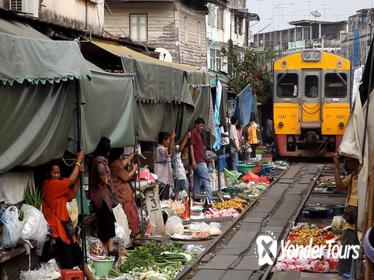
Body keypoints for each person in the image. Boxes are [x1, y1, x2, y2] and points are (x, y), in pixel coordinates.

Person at [42, 152, 94, 280]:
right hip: (59, 232)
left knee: (80, 259)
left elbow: (71, 195)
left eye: (58, 173)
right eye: (54, 173)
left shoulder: (58, 186)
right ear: (48, 173)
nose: (57, 175)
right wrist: (78, 161)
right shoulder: (49, 185)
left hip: (67, 228)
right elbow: (70, 180)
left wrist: (79, 175)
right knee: (68, 265)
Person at [334, 154, 361, 277]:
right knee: (348, 247)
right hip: (350, 217)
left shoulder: (363, 177)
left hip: (357, 218)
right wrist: (336, 167)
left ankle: (348, 273)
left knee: (350, 246)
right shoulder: (352, 176)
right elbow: (339, 186)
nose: (348, 162)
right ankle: (347, 273)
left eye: (350, 160)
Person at [89, 137, 116, 254]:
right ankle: (108, 250)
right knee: (107, 224)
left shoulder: (98, 159)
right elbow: (101, 173)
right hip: (101, 197)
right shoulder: (100, 161)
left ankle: (107, 250)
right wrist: (104, 180)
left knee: (107, 223)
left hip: (103, 197)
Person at [109, 148, 140, 237]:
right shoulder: (115, 165)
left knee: (131, 216)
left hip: (124, 194)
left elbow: (123, 163)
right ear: (119, 156)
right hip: (122, 195)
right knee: (130, 217)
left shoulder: (115, 164)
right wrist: (134, 169)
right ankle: (134, 234)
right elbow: (126, 177)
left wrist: (132, 155)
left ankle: (134, 233)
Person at [190, 118, 212, 201]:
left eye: (203, 126)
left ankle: (196, 199)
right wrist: (193, 160)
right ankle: (210, 200)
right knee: (206, 180)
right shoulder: (193, 133)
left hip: (199, 160)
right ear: (196, 125)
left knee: (197, 180)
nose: (202, 128)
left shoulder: (198, 133)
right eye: (201, 126)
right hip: (198, 161)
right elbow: (191, 146)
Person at [154, 131, 176, 200]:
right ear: (164, 141)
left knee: (165, 199)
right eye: (168, 140)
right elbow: (169, 152)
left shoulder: (162, 149)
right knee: (163, 200)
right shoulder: (160, 149)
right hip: (162, 180)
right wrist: (172, 139)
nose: (169, 142)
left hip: (165, 180)